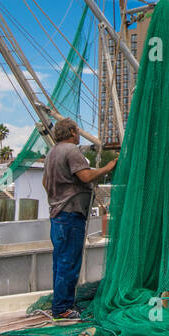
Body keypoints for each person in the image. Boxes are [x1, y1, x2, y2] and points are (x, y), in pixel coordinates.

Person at [42, 117, 116, 318]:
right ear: (73, 132)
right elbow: (86, 176)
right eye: (77, 131)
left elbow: (44, 182)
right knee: (69, 262)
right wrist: (107, 168)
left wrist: (59, 194)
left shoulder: (51, 153)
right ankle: (63, 309)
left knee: (60, 261)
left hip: (57, 215)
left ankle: (60, 304)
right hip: (70, 214)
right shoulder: (71, 151)